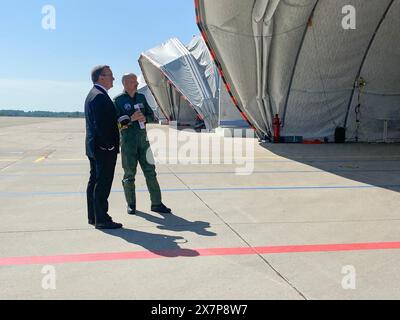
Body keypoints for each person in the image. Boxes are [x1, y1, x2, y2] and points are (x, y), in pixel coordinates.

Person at [114, 73, 171, 215]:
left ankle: (156, 203)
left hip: (143, 141)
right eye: (134, 82)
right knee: (129, 174)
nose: (137, 84)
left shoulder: (141, 98)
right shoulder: (118, 101)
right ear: (125, 83)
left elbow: (152, 116)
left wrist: (145, 117)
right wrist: (131, 119)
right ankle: (131, 204)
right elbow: (115, 125)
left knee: (151, 172)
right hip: (128, 142)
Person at [85, 65, 123, 229]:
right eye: (110, 75)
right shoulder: (100, 96)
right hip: (103, 149)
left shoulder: (94, 94)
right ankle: (102, 218)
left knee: (94, 181)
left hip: (94, 147)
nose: (113, 78)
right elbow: (100, 125)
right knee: (103, 183)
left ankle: (93, 216)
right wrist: (108, 146)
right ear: (101, 77)